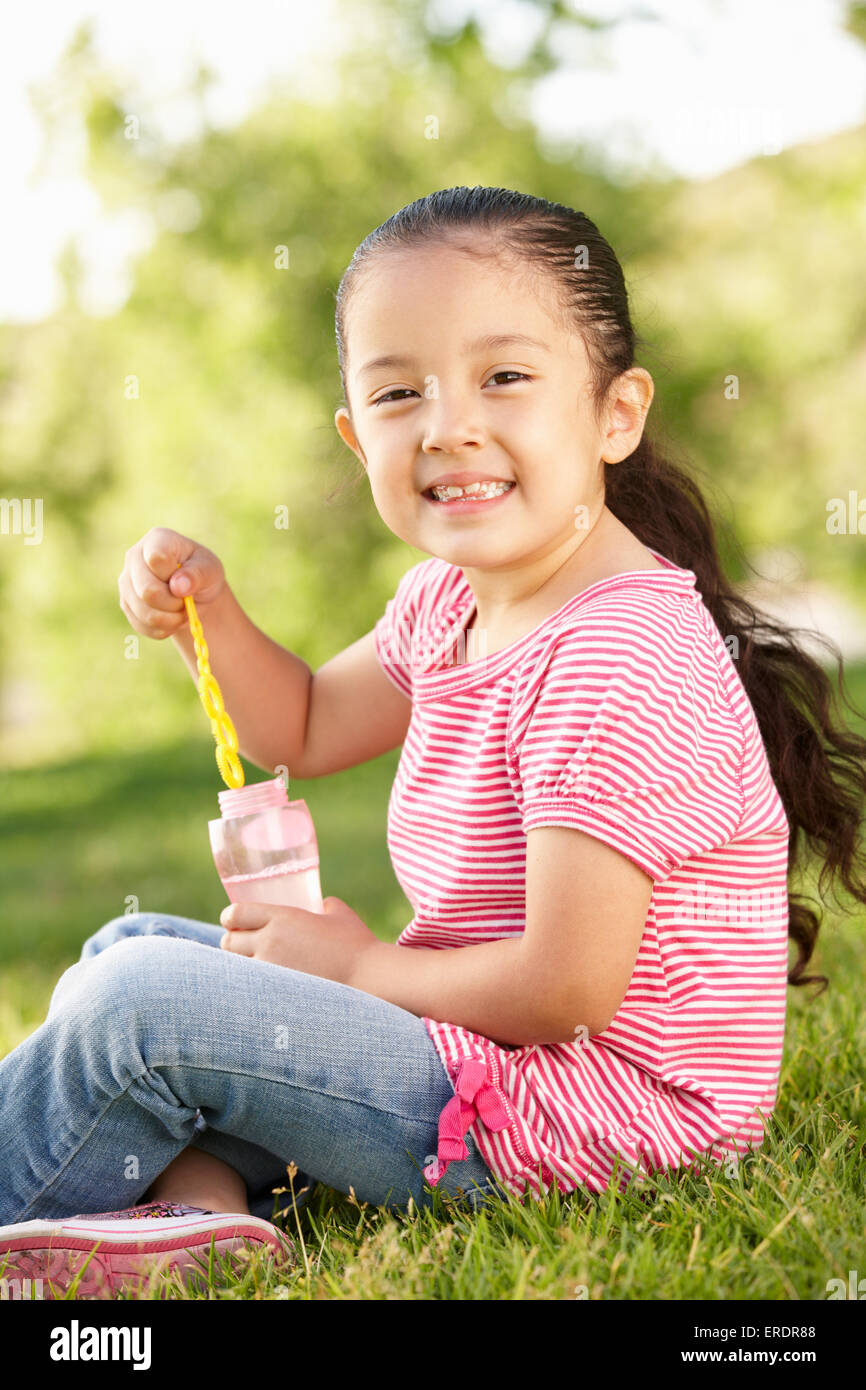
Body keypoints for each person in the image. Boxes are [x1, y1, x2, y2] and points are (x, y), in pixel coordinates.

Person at [2, 185, 864, 1300]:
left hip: (590, 1114)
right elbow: (303, 724)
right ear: (359, 437)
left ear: (614, 412)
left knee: (141, 1006)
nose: (447, 423)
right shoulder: (446, 601)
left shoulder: (620, 651)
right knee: (131, 959)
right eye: (399, 391)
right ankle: (199, 1216)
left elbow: (566, 989)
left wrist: (361, 967)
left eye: (503, 376)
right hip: (482, 1053)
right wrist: (204, 613)